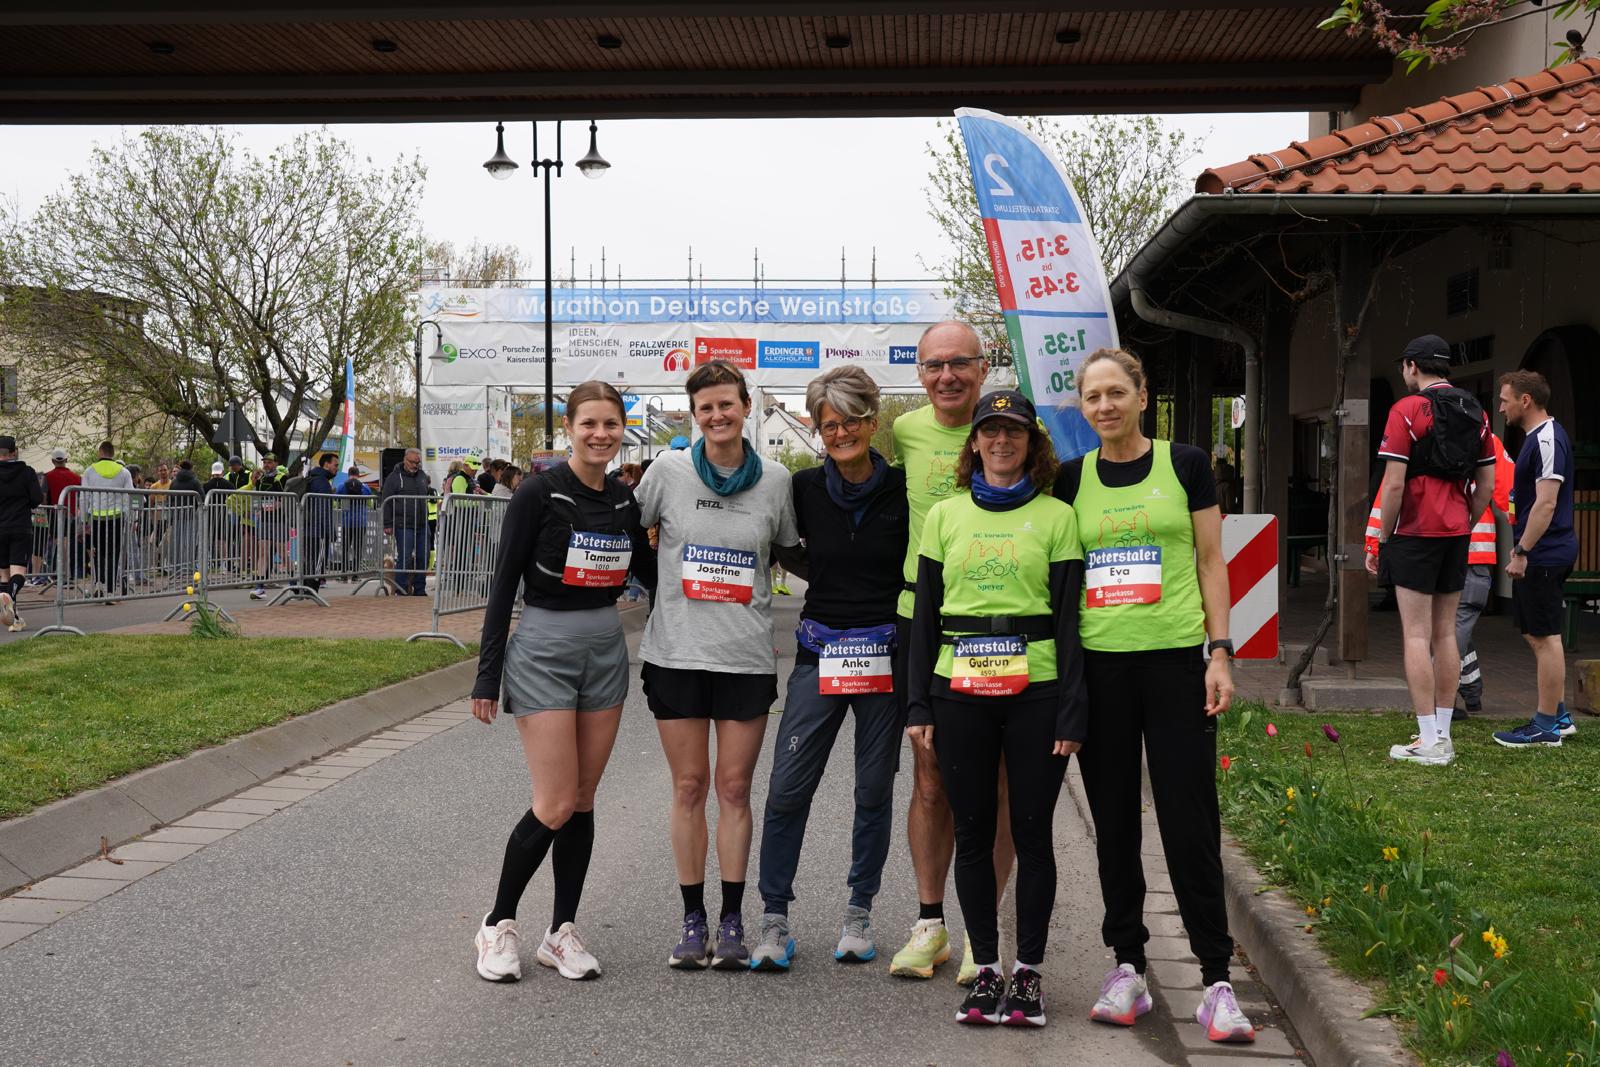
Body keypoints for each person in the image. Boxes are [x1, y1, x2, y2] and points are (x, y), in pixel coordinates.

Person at [1053, 348, 1254, 1043]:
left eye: (1116, 392)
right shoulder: (1071, 478)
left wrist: (1220, 651)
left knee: (1189, 820)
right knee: (1114, 823)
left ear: (1142, 396)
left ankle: (1216, 980)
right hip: (1101, 669)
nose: (1104, 405)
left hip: (1174, 664)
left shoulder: (1185, 464)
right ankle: (1128, 966)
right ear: (1083, 407)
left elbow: (1211, 561)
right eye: (1092, 396)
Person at [907, 390, 1085, 1028]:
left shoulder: (1057, 517)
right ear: (975, 442)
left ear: (1032, 443)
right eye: (990, 431)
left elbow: (1069, 622)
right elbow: (925, 618)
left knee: (1033, 835)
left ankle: (1028, 974)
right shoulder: (945, 516)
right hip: (959, 690)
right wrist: (918, 704)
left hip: (1037, 689)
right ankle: (985, 970)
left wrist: (1072, 710)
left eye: (1014, 431)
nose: (1001, 441)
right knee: (974, 834)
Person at [470, 381, 657, 984]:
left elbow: (651, 571)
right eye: (589, 424)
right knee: (553, 801)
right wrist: (487, 674)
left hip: (606, 652)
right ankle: (497, 924)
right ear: (570, 428)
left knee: (581, 799)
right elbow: (503, 584)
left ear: (622, 429)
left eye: (611, 424)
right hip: (544, 651)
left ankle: (561, 932)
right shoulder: (537, 491)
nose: (601, 434)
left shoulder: (624, 500)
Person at [633, 359, 802, 971]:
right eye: (705, 407)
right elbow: (628, 531)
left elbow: (790, 550)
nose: (717, 415)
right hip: (676, 654)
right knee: (688, 787)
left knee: (733, 789)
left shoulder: (776, 480)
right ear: (694, 414)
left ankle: (732, 920)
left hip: (744, 657)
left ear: (746, 407)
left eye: (726, 404)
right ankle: (692, 920)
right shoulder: (668, 470)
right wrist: (654, 590)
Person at [751, 366, 908, 972]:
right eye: (829, 424)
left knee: (873, 789)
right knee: (788, 789)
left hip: (884, 659)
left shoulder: (903, 488)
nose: (841, 433)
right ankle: (774, 919)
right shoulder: (804, 488)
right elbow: (774, 538)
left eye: (852, 421)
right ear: (818, 430)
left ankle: (858, 915)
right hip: (819, 654)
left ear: (873, 421)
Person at [888, 319, 1015, 985]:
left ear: (983, 365)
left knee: (998, 780)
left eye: (960, 363)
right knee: (931, 773)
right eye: (934, 365)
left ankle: (981, 931)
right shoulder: (906, 430)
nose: (947, 376)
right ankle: (930, 923)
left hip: (1000, 623)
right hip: (924, 619)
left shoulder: (1013, 430)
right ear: (919, 372)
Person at [1367, 335, 1495, 767]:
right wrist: (1465, 521)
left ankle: (1427, 739)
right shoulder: (1476, 410)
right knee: (1445, 634)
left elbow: (1394, 484)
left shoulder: (1405, 410)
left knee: (1416, 635)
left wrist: (1384, 538)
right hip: (1457, 532)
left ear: (1412, 366)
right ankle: (1443, 733)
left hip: (1414, 532)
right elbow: (1487, 485)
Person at [1365, 432, 1512, 716]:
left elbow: (1390, 490)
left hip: (1425, 548)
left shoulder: (1412, 434)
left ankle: (1450, 699)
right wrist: (1525, 540)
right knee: (1451, 628)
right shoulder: (1484, 436)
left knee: (1440, 629)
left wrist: (1375, 543)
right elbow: (1508, 491)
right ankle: (1454, 696)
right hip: (1471, 550)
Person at [1493, 369, 1580, 748]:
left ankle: (1546, 726)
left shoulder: (1548, 438)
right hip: (1539, 552)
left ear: (1525, 400)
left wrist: (1522, 551)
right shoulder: (1536, 438)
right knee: (1536, 633)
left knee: (1545, 637)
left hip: (1544, 552)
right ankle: (1558, 716)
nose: (1501, 408)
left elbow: (1546, 503)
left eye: (1505, 400)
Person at [79, 441, 134, 602]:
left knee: (98, 552)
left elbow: (84, 497)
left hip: (96, 518)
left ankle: (99, 583)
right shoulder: (123, 472)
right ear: (113, 453)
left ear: (100, 452)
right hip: (116, 518)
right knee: (113, 553)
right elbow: (129, 496)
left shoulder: (89, 471)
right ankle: (110, 590)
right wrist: (130, 518)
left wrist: (84, 521)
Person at [0, 435, 44, 632]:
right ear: (14, 452)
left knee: (4, 574)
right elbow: (36, 498)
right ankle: (10, 599)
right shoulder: (26, 472)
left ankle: (14, 619)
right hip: (20, 527)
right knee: (18, 573)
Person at [381, 447, 432, 596]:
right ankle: (401, 589)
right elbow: (386, 500)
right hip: (403, 524)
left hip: (422, 524)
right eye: (412, 462)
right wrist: (387, 523)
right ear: (404, 460)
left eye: (417, 462)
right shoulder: (394, 477)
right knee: (405, 557)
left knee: (423, 556)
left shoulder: (422, 475)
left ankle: (420, 589)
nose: (415, 465)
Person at [249, 454, 289, 599]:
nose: (266, 464)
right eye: (265, 462)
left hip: (279, 521)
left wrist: (279, 504)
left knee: (282, 553)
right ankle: (259, 588)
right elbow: (257, 497)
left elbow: (289, 497)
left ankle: (294, 583)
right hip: (265, 521)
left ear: (276, 463)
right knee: (263, 552)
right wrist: (257, 509)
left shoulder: (282, 478)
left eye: (269, 462)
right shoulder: (261, 479)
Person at [43, 449, 81, 586]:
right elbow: (81, 497)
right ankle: (65, 573)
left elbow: (44, 496)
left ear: (53, 461)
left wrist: (46, 510)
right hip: (73, 514)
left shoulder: (48, 476)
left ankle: (60, 573)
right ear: (66, 460)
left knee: (59, 543)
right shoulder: (77, 477)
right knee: (67, 543)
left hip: (55, 513)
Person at [302, 453, 338, 591]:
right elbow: (324, 510)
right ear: (327, 464)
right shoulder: (323, 483)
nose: (337, 468)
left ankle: (303, 587)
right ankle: (312, 588)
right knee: (318, 561)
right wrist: (330, 531)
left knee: (309, 560)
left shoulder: (311, 478)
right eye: (335, 465)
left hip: (309, 528)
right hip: (319, 531)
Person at [167, 459, 203, 575]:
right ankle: (188, 567)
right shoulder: (195, 482)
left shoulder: (174, 482)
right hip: (190, 515)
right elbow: (202, 498)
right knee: (189, 542)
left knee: (176, 543)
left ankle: (176, 568)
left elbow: (169, 498)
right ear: (191, 468)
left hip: (176, 515)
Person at [339, 466, 373, 577]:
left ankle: (343, 574)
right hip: (361, 522)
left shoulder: (342, 486)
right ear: (358, 475)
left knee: (345, 547)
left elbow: (337, 497)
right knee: (358, 548)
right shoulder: (365, 488)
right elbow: (369, 498)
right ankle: (355, 574)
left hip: (346, 521)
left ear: (348, 474)